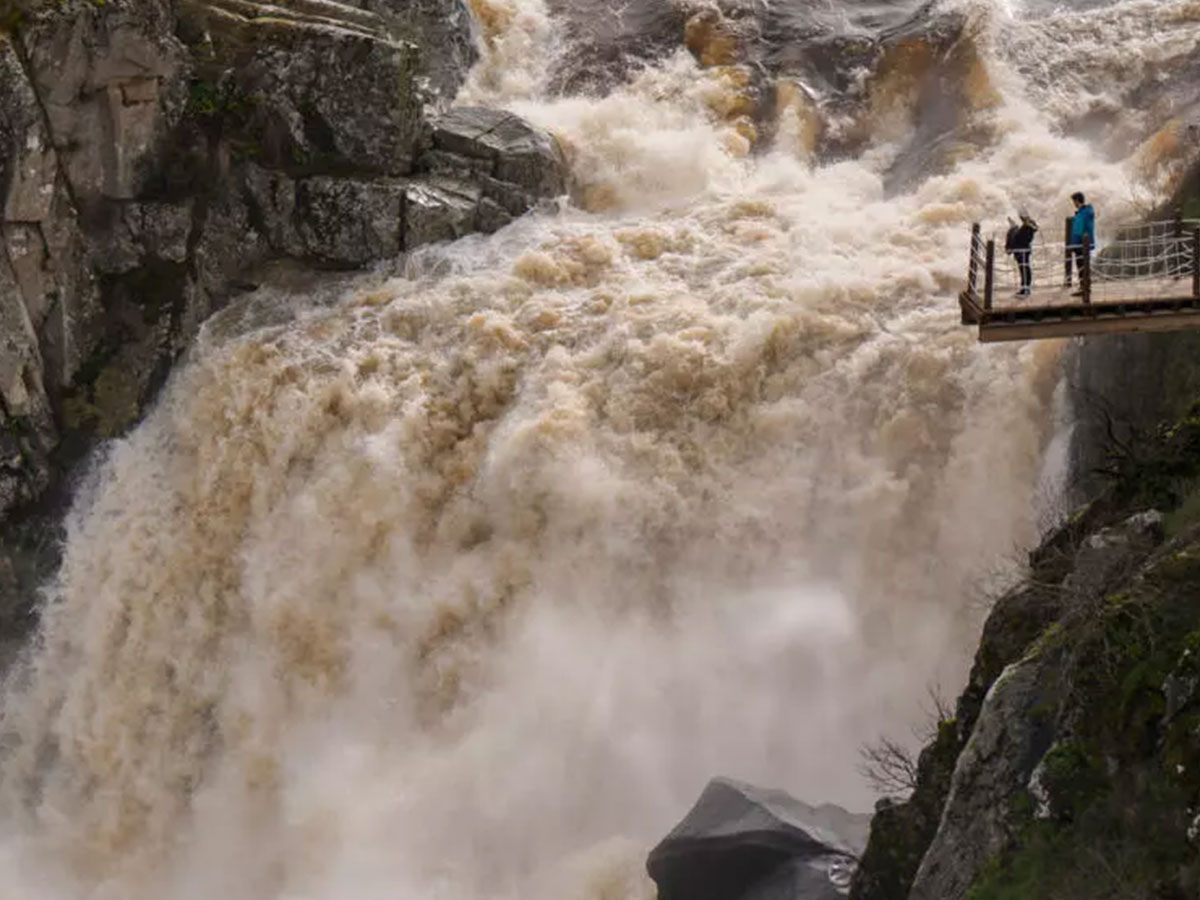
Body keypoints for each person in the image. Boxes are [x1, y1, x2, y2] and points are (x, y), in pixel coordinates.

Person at [1067, 191, 1096, 295]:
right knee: (1085, 266)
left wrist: (1072, 245)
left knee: (1081, 267)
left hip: (1081, 244)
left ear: (1077, 201)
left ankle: (1084, 289)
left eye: (1074, 201)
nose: (1073, 204)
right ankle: (1085, 287)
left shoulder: (1082, 214)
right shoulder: (1087, 212)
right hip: (1087, 243)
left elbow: (1078, 231)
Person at [1007, 212, 1038, 296]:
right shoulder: (1027, 227)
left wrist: (1012, 228)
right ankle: (1025, 288)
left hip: (1021, 252)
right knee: (1025, 269)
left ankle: (1025, 289)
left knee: (1024, 270)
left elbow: (1017, 238)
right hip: (1023, 251)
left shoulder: (1026, 228)